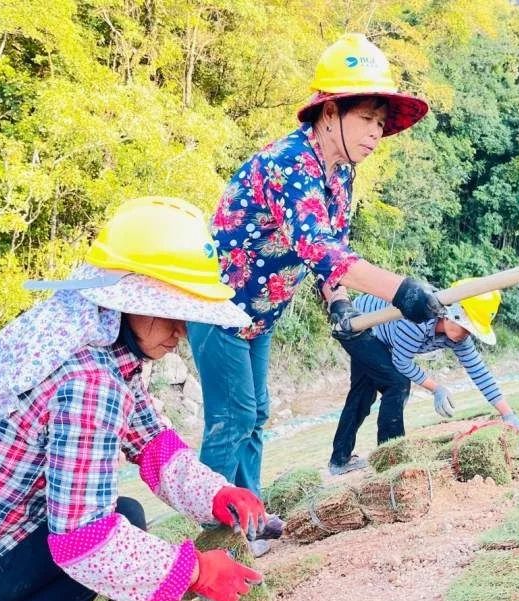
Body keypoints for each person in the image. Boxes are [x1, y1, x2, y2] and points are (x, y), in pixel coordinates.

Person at [0, 198, 266, 601]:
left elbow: (150, 439)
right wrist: (195, 572)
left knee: (125, 513)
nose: (182, 331)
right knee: (104, 545)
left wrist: (215, 493)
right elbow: (86, 542)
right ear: (127, 301)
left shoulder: (75, 328)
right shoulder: (88, 381)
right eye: (172, 313)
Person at [188, 32, 443, 550]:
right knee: (233, 416)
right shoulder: (289, 163)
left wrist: (340, 302)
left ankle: (249, 516)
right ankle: (213, 534)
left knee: (256, 414)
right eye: (366, 119)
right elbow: (318, 248)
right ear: (329, 113)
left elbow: (336, 249)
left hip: (260, 314)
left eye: (380, 124)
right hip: (217, 307)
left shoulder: (340, 175)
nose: (375, 133)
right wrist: (402, 291)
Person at [325, 280, 519, 475]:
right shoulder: (417, 318)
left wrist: (508, 415)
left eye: (471, 330)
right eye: (467, 327)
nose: (467, 334)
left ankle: (339, 460)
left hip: (379, 336)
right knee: (397, 384)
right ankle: (391, 462)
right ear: (452, 312)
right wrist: (437, 388)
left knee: (362, 393)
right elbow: (402, 362)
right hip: (357, 323)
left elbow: (479, 371)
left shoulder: (459, 338)